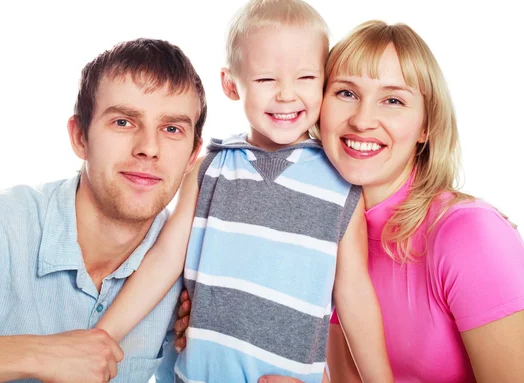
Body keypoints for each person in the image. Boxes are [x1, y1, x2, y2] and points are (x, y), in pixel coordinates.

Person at [194, 20, 524, 383]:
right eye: (346, 93)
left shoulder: (470, 234)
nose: (363, 120)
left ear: (425, 127)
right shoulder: (321, 232)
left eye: (393, 100)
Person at [96, 0, 393, 383]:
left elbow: (355, 297)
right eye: (267, 78)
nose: (286, 94)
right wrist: (102, 336)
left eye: (305, 78)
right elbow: (165, 258)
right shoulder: (210, 169)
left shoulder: (340, 184)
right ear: (231, 84)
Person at [0, 38, 207, 383]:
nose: (148, 148)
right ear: (80, 137)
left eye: (172, 129)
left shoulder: (190, 272)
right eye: (123, 122)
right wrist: (37, 354)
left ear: (193, 156)